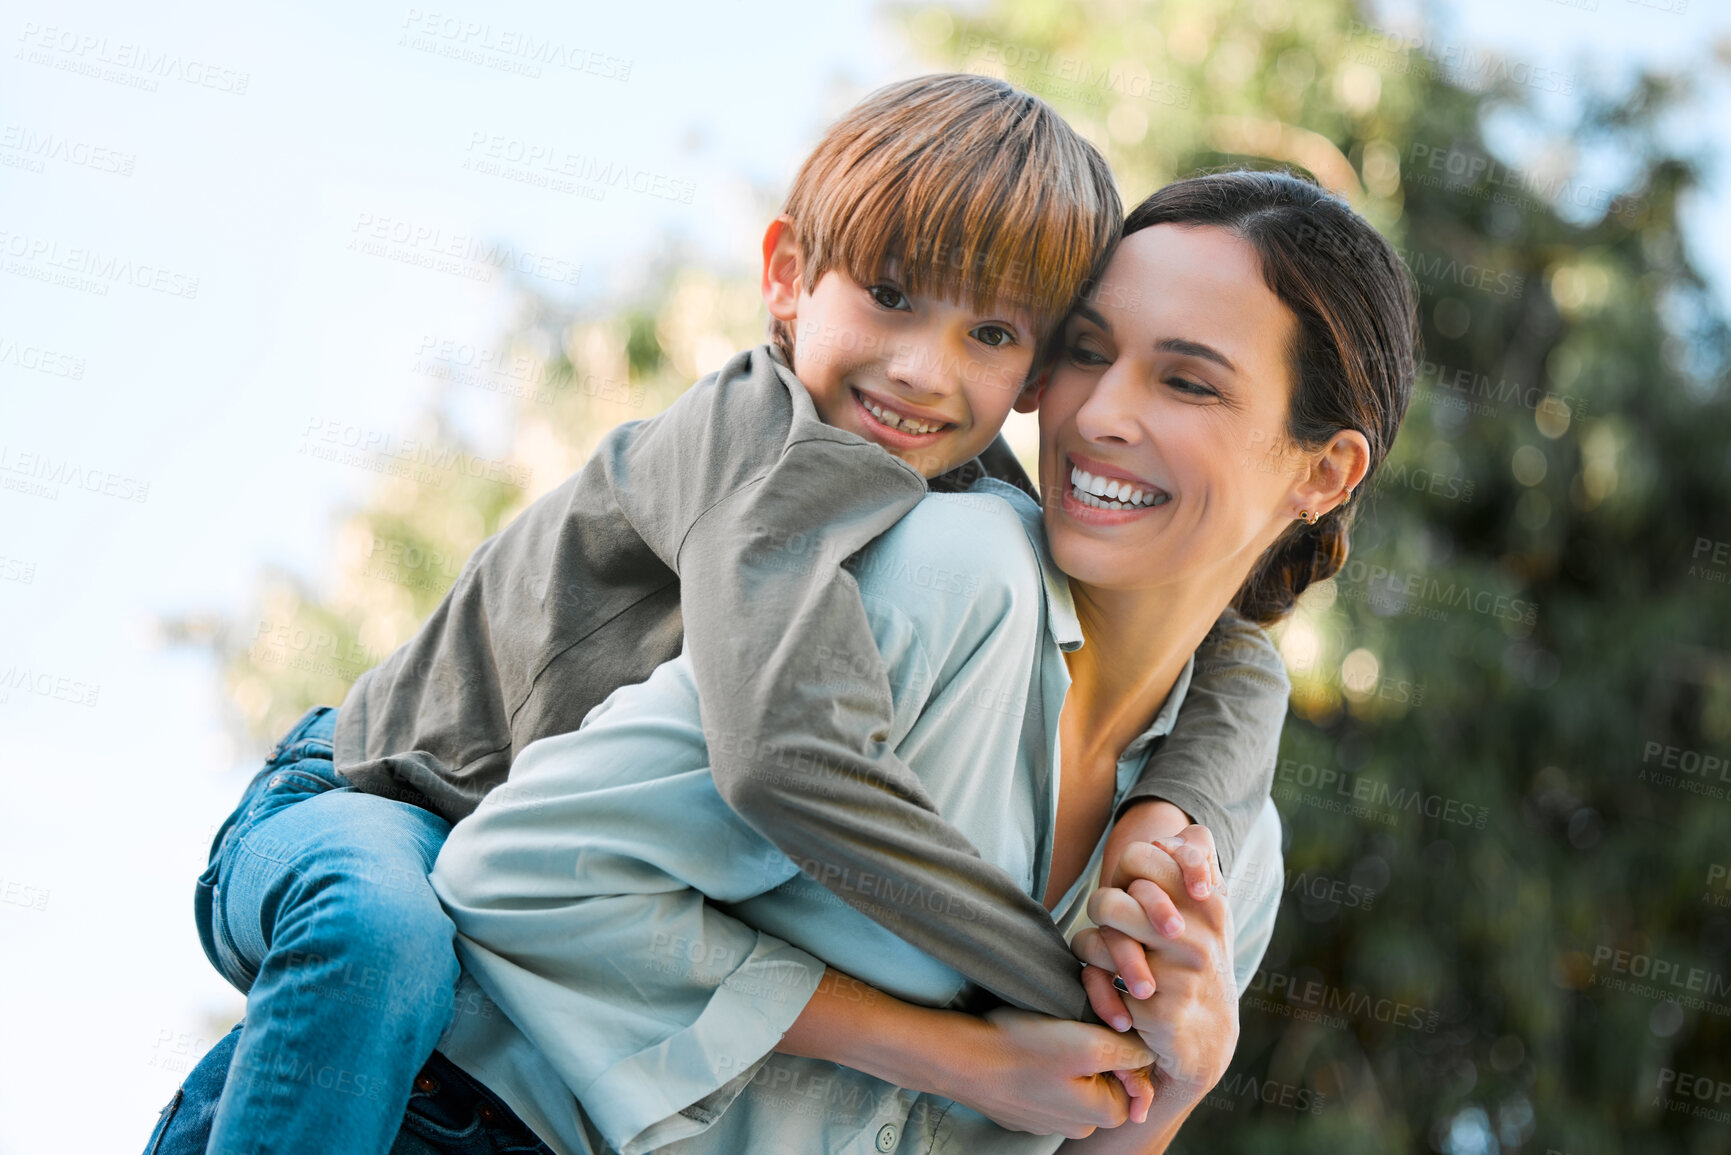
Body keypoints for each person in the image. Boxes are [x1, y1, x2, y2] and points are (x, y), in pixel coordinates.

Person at [143, 76, 1289, 1155]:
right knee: (380, 942)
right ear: (787, 275)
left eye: (991, 335)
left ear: (1033, 376)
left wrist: (1173, 804)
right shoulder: (759, 450)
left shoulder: (961, 482)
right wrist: (1050, 988)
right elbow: (787, 768)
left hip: (502, 925)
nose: (922, 372)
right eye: (890, 296)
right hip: (373, 802)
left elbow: (1224, 650)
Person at [406, 168, 1422, 1153]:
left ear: (1324, 472)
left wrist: (1179, 1082)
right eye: (1085, 352)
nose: (1098, 416)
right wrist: (953, 1055)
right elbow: (524, 873)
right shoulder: (960, 576)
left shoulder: (1233, 861)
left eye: (1188, 382)